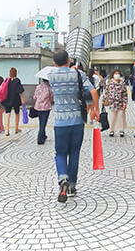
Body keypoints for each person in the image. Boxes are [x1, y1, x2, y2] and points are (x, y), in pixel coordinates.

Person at [48, 50, 100, 203]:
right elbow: (93, 92)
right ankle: (71, 186)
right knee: (74, 153)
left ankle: (63, 179)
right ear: (69, 60)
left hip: (60, 122)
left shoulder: (51, 75)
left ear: (54, 63)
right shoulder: (78, 74)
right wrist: (95, 110)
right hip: (77, 121)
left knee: (60, 153)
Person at [103, 69, 128, 138]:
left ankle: (121, 130)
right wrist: (103, 100)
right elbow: (106, 92)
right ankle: (112, 130)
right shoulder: (109, 82)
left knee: (121, 117)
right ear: (113, 75)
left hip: (120, 103)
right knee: (112, 117)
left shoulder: (122, 83)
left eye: (118, 73)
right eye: (115, 73)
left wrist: (125, 103)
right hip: (112, 102)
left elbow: (125, 94)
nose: (117, 75)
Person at [2, 67, 25, 136]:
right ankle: (16, 128)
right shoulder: (17, 80)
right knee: (17, 113)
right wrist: (22, 99)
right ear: (16, 73)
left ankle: (7, 130)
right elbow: (20, 91)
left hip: (8, 99)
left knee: (7, 113)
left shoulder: (7, 80)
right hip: (16, 99)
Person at [33, 79, 54, 145]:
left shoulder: (38, 87)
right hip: (46, 108)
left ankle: (43, 135)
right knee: (43, 123)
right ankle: (40, 139)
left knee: (41, 122)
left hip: (38, 107)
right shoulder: (49, 88)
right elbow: (51, 98)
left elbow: (34, 97)